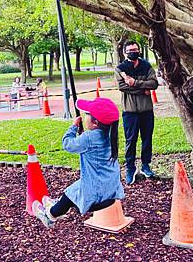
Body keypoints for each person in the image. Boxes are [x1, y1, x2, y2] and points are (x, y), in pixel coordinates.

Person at [33, 97, 124, 228]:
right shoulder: (110, 134)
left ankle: (49, 216)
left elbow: (67, 144)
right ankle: (56, 205)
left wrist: (73, 127)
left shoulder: (88, 138)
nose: (84, 116)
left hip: (97, 194)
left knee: (70, 195)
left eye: (87, 114)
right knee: (73, 189)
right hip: (111, 187)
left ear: (95, 123)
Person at [115, 41, 159, 185]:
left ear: (139, 50)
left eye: (135, 49)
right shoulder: (120, 68)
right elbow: (122, 87)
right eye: (130, 50)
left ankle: (146, 166)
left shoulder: (146, 66)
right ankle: (130, 168)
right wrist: (143, 89)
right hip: (130, 112)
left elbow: (154, 84)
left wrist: (135, 83)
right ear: (125, 52)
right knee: (131, 141)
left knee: (147, 139)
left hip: (146, 111)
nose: (133, 52)